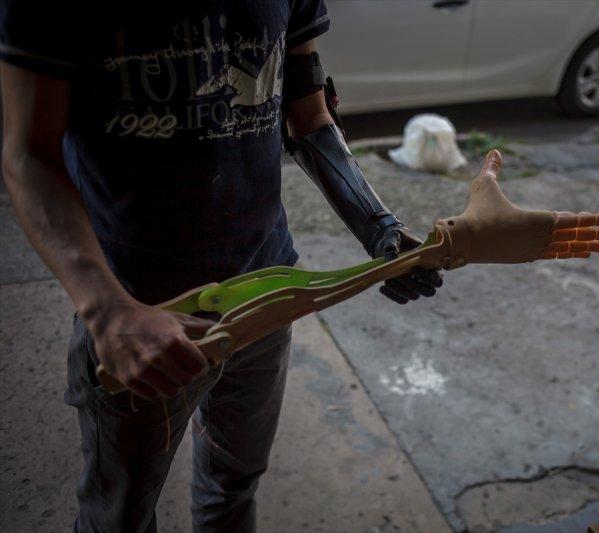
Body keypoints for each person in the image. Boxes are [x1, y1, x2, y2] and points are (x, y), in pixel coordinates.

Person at [0, 1, 442, 530]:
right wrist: (108, 313)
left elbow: (307, 115)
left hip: (268, 295)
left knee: (233, 488)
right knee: (119, 515)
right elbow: (29, 155)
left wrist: (379, 226)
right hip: (145, 312)